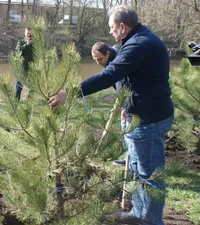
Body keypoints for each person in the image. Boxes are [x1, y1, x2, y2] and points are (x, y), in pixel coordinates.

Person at [50, 5, 174, 225]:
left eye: (112, 28)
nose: (111, 32)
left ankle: (151, 221)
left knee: (150, 177)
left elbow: (110, 75)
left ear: (122, 27)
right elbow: (127, 80)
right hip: (141, 116)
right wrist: (127, 109)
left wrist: (69, 94)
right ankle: (139, 213)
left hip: (149, 120)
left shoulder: (139, 44)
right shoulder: (137, 40)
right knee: (136, 169)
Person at [15, 27, 34, 101]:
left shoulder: (35, 44)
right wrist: (26, 44)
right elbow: (17, 50)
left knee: (33, 88)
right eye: (28, 33)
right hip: (22, 69)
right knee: (18, 89)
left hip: (32, 69)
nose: (29, 35)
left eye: (31, 33)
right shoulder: (21, 42)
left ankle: (29, 106)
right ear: (25, 34)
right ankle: (15, 106)